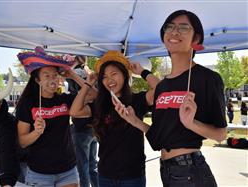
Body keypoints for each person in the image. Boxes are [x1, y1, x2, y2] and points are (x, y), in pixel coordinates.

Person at [120, 10, 227, 187]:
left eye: (183, 28)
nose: (175, 32)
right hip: (167, 170)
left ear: (196, 39)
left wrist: (191, 123)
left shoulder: (207, 78)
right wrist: (135, 121)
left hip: (191, 171)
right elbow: (160, 137)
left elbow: (221, 134)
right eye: (169, 27)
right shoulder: (162, 86)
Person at [70, 50, 159, 187]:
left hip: (132, 176)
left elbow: (162, 90)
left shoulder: (136, 100)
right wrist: (88, 84)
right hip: (105, 176)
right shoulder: (100, 105)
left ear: (124, 75)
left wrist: (142, 71)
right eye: (104, 76)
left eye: (114, 74)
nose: (109, 80)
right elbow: (75, 111)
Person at [15, 47, 89, 187]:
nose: (52, 79)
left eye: (55, 75)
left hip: (68, 170)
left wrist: (73, 75)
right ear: (37, 80)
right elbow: (22, 141)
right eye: (47, 75)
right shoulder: (28, 104)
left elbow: (92, 95)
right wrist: (36, 132)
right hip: (39, 173)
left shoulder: (65, 100)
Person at [68, 56, 99, 187]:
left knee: (82, 167)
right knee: (92, 165)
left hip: (81, 128)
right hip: (93, 127)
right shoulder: (89, 72)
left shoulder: (76, 72)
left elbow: (76, 96)